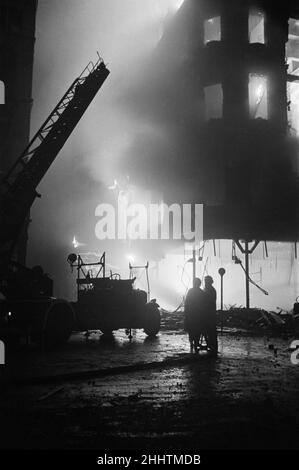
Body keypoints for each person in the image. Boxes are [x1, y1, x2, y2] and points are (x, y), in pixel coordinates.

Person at [184, 278, 205, 353]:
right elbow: (204, 305)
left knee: (191, 330)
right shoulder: (201, 292)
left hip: (191, 315)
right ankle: (196, 344)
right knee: (197, 330)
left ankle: (192, 343)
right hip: (198, 315)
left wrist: (186, 313)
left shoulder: (190, 291)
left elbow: (186, 303)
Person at [204, 275, 218, 356]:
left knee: (211, 331)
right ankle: (211, 345)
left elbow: (207, 302)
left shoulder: (210, 290)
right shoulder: (208, 289)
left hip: (209, 313)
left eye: (206, 281)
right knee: (209, 330)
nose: (205, 283)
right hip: (209, 313)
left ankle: (212, 346)